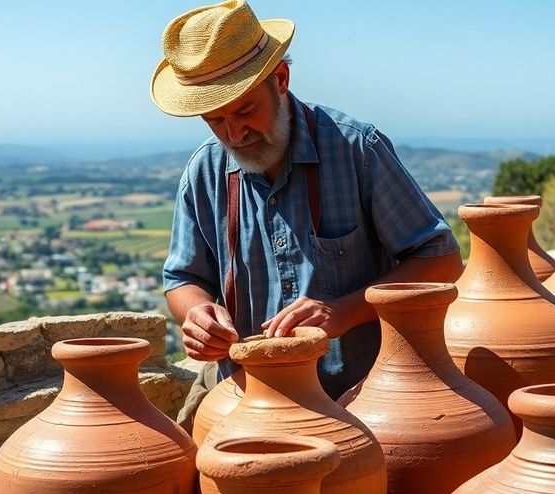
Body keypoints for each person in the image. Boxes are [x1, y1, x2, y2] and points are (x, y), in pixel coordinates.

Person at [151, 0, 463, 430]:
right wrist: (197, 316)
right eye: (215, 120)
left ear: (280, 78)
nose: (234, 134)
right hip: (245, 394)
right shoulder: (205, 171)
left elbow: (441, 259)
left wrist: (344, 311)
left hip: (361, 395)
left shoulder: (357, 150)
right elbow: (182, 279)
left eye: (244, 111)